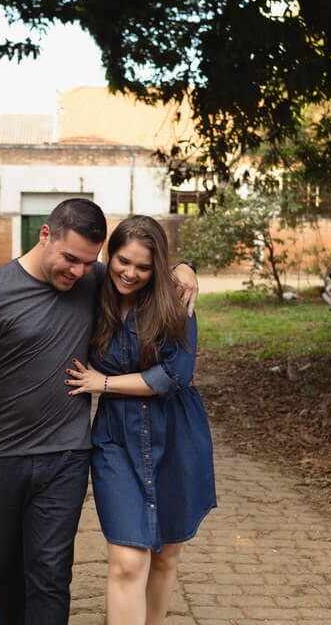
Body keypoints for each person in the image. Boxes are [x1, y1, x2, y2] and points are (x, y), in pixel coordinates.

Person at [0, 199, 198, 625]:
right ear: (45, 234)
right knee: (2, 569)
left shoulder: (96, 280)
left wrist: (186, 268)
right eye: (70, 259)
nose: (76, 271)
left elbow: (148, 268)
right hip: (0, 456)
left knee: (51, 574)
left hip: (66, 457)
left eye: (88, 263)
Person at [63, 215, 216, 625]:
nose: (130, 273)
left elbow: (173, 375)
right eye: (122, 261)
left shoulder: (176, 301)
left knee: (165, 555)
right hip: (117, 439)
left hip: (177, 435)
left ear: (158, 267)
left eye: (144, 267)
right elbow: (41, 301)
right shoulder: (94, 289)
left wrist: (106, 383)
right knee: (128, 561)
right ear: (109, 256)